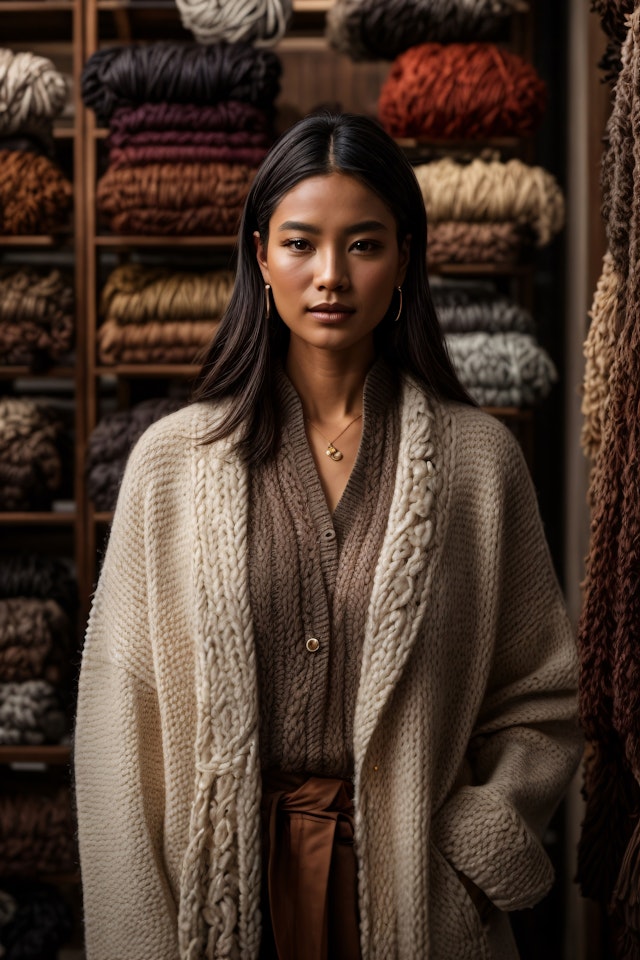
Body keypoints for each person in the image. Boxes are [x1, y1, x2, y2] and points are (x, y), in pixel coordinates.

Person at [74, 113, 582, 960]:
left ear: (407, 258)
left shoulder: (478, 463)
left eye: (365, 245)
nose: (330, 277)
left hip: (417, 895)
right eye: (302, 243)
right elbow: (116, 728)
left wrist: (468, 841)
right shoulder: (171, 465)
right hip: (221, 900)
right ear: (260, 255)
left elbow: (543, 699)